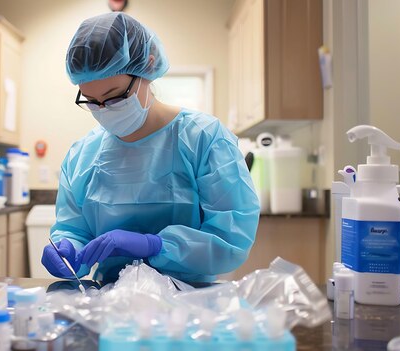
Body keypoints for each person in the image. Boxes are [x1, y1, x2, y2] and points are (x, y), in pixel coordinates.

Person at [41, 12, 260, 283]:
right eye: (91, 100)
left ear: (147, 66)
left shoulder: (204, 138)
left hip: (191, 304)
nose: (103, 109)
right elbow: (74, 229)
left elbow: (232, 240)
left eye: (114, 96)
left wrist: (155, 245)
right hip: (112, 302)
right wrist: (67, 248)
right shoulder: (82, 155)